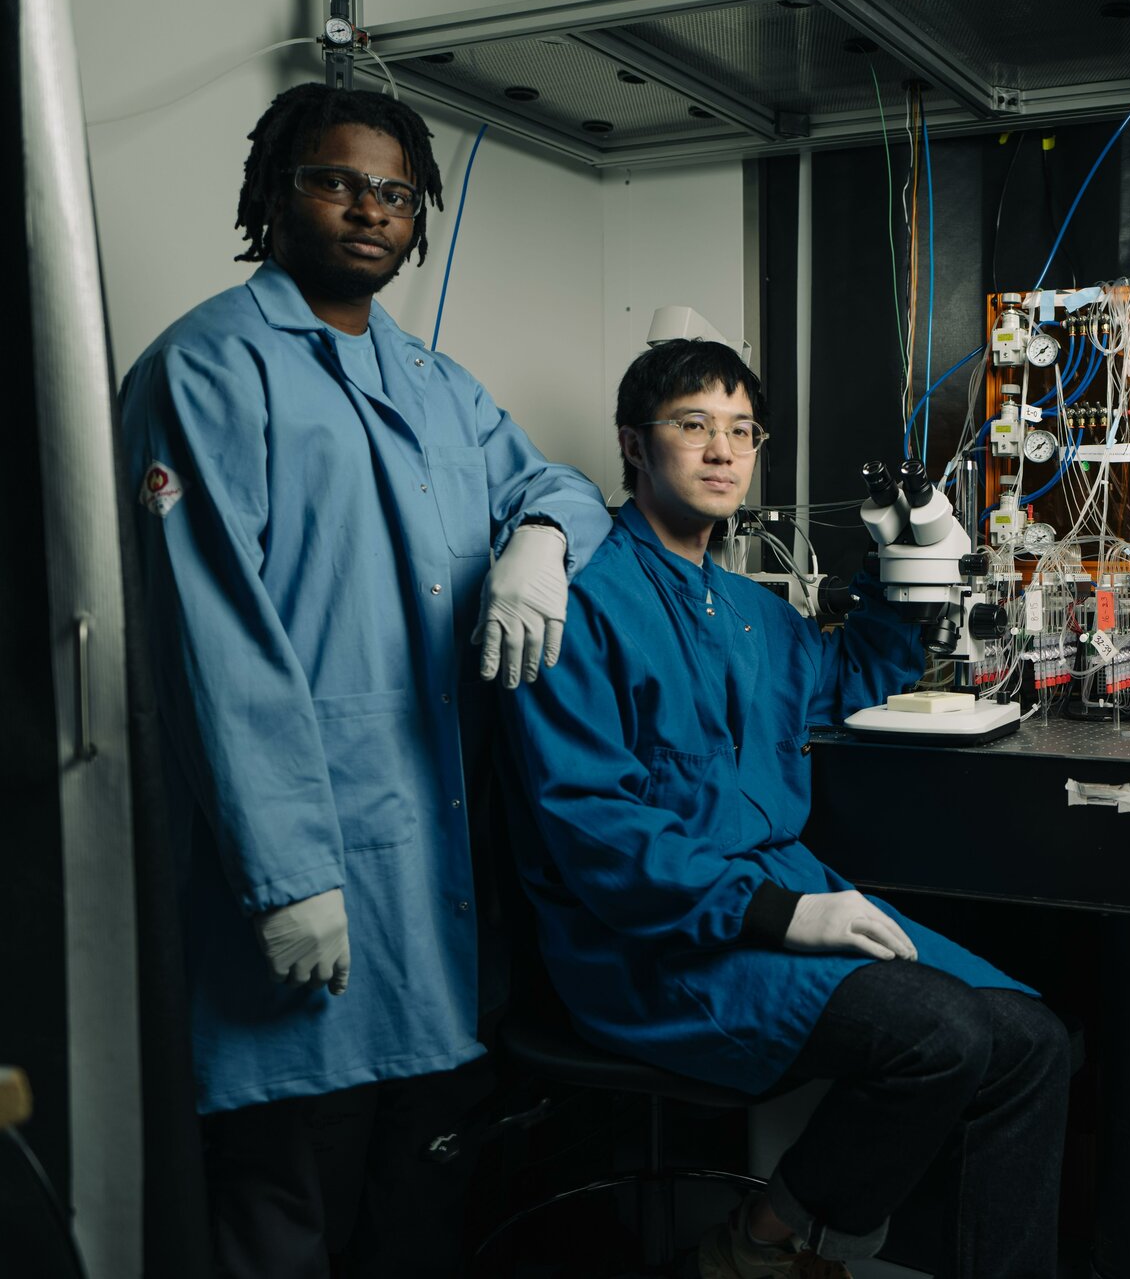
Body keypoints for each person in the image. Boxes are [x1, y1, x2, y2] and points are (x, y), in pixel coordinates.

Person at [120, 83, 612, 1278]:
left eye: (395, 192)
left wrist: (538, 544)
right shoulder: (207, 369)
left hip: (433, 882)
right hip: (303, 872)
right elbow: (209, 641)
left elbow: (559, 487)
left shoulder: (436, 383)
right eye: (334, 180)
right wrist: (286, 877)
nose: (368, 211)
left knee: (417, 1209)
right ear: (271, 195)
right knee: (281, 1211)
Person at [499, 339, 1071, 1279]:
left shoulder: (746, 608)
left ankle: (789, 1238)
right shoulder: (580, 602)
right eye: (693, 426)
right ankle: (766, 1244)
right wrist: (782, 913)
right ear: (633, 446)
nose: (723, 451)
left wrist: (907, 568)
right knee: (942, 1035)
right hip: (653, 945)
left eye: (741, 430)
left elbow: (845, 677)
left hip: (777, 899)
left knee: (1034, 1044)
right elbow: (596, 830)